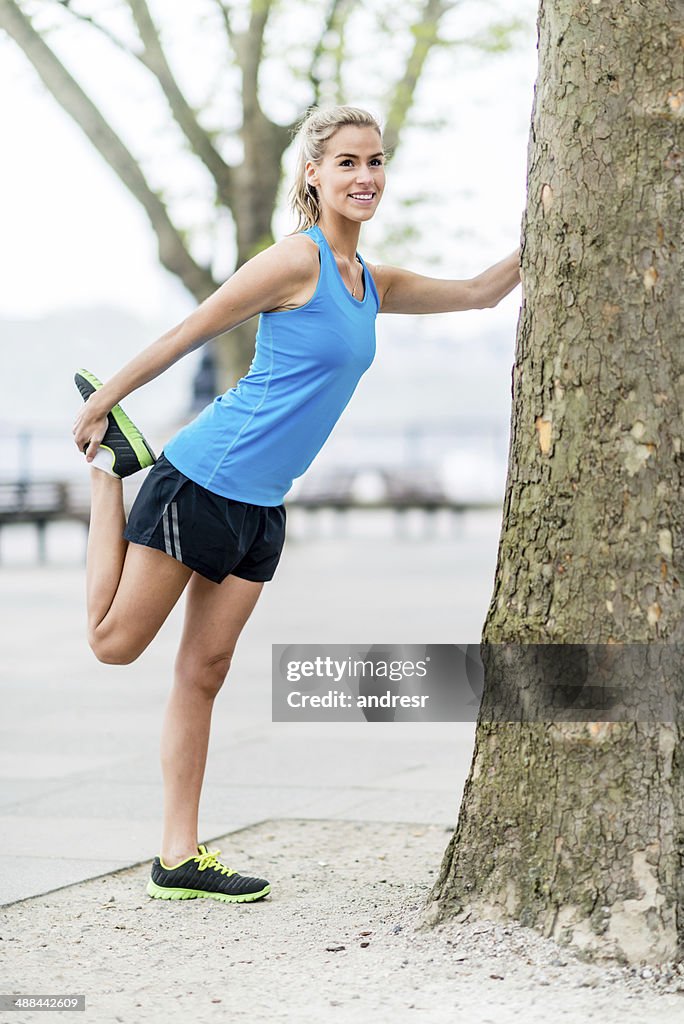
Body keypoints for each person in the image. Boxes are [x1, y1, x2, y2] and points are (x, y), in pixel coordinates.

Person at [71, 104, 521, 905]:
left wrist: (551, 217)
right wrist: (105, 398)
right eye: (347, 162)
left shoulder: (372, 284)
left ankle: (178, 855)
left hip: (264, 506)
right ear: (313, 174)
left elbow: (484, 292)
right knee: (114, 644)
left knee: (204, 672)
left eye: (376, 162)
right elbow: (193, 328)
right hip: (204, 477)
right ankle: (112, 472)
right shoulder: (293, 261)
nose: (366, 177)